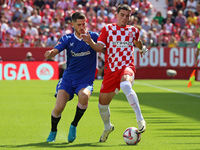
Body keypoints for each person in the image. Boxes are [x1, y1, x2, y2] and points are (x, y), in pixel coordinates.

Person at [81, 4, 147, 142]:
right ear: (116, 14)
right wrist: (90, 42)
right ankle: (107, 127)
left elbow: (137, 42)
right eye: (122, 15)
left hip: (127, 66)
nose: (124, 18)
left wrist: (142, 48)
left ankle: (140, 119)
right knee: (102, 106)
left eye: (127, 16)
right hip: (111, 71)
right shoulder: (108, 29)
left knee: (126, 85)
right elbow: (99, 47)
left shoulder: (133, 30)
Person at [44, 12, 100, 143]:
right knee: (58, 108)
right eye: (79, 25)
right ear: (72, 25)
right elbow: (56, 50)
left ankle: (74, 125)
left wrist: (90, 42)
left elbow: (101, 49)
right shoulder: (67, 39)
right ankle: (53, 130)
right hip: (68, 79)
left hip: (85, 80)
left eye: (84, 24)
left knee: (84, 96)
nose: (82, 27)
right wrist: (51, 53)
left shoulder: (94, 37)